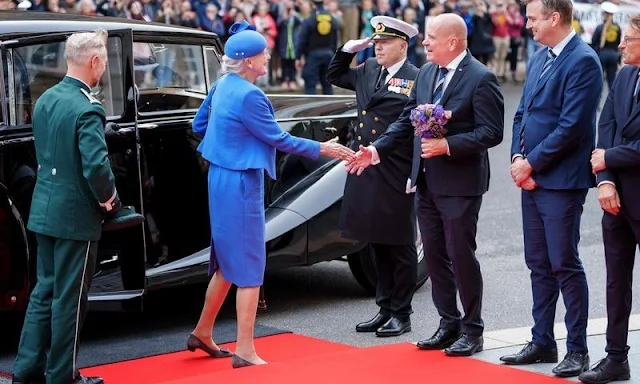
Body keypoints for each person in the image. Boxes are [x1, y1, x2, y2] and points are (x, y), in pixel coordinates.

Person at [187, 21, 354, 368]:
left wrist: (232, 140)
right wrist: (324, 147)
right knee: (249, 264)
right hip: (241, 182)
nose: (267, 58)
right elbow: (280, 139)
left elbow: (199, 126)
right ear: (248, 61)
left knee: (226, 261)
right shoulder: (252, 95)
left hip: (219, 179)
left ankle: (203, 331)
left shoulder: (223, 86)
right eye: (263, 54)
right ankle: (245, 349)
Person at [346, 13, 504, 357]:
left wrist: (448, 145)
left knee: (461, 256)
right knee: (433, 256)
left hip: (460, 182)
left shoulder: (481, 78)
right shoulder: (429, 72)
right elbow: (407, 118)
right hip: (427, 179)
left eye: (431, 36)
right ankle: (448, 324)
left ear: (453, 42)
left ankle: (472, 330)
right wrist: (375, 150)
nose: (425, 42)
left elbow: (492, 132)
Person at [12, 29, 121, 384]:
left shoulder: (46, 99)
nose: (103, 68)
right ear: (94, 61)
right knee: (70, 300)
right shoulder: (88, 108)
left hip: (44, 210)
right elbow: (95, 167)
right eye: (103, 60)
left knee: (43, 293)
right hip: (75, 216)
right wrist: (109, 201)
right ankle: (62, 376)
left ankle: (26, 371)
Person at [501, 0, 603, 377]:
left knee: (564, 264)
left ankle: (577, 349)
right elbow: (522, 113)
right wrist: (516, 158)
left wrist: (531, 163)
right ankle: (542, 340)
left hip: (560, 182)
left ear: (554, 18)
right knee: (538, 265)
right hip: (532, 176)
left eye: (532, 18)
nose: (527, 25)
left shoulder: (583, 60)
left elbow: (572, 126)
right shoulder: (543, 56)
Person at [327, 15, 420, 337]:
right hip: (364, 164)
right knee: (374, 239)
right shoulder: (368, 70)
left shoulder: (416, 78)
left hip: (394, 165)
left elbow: (410, 127)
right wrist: (346, 50)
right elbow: (335, 74)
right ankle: (384, 308)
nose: (378, 48)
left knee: (399, 241)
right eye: (376, 43)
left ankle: (401, 312)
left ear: (402, 45)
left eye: (385, 43)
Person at [578, 15, 640, 384]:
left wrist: (610, 159)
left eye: (629, 39)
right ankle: (616, 358)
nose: (621, 44)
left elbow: (613, 148)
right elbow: (607, 127)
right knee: (616, 283)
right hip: (616, 198)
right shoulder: (625, 75)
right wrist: (604, 181)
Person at [295, 0, 340, 95]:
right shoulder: (332, 19)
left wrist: (298, 57)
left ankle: (310, 108)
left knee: (310, 85)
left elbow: (302, 40)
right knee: (328, 85)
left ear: (312, 5)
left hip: (312, 56)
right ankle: (329, 109)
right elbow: (336, 39)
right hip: (328, 55)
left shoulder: (309, 20)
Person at [591, 1, 621, 92]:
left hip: (602, 55)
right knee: (612, 81)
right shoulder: (617, 27)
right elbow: (618, 42)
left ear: (604, 14)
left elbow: (593, 42)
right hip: (613, 56)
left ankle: (597, 105)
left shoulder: (599, 27)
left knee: (598, 81)